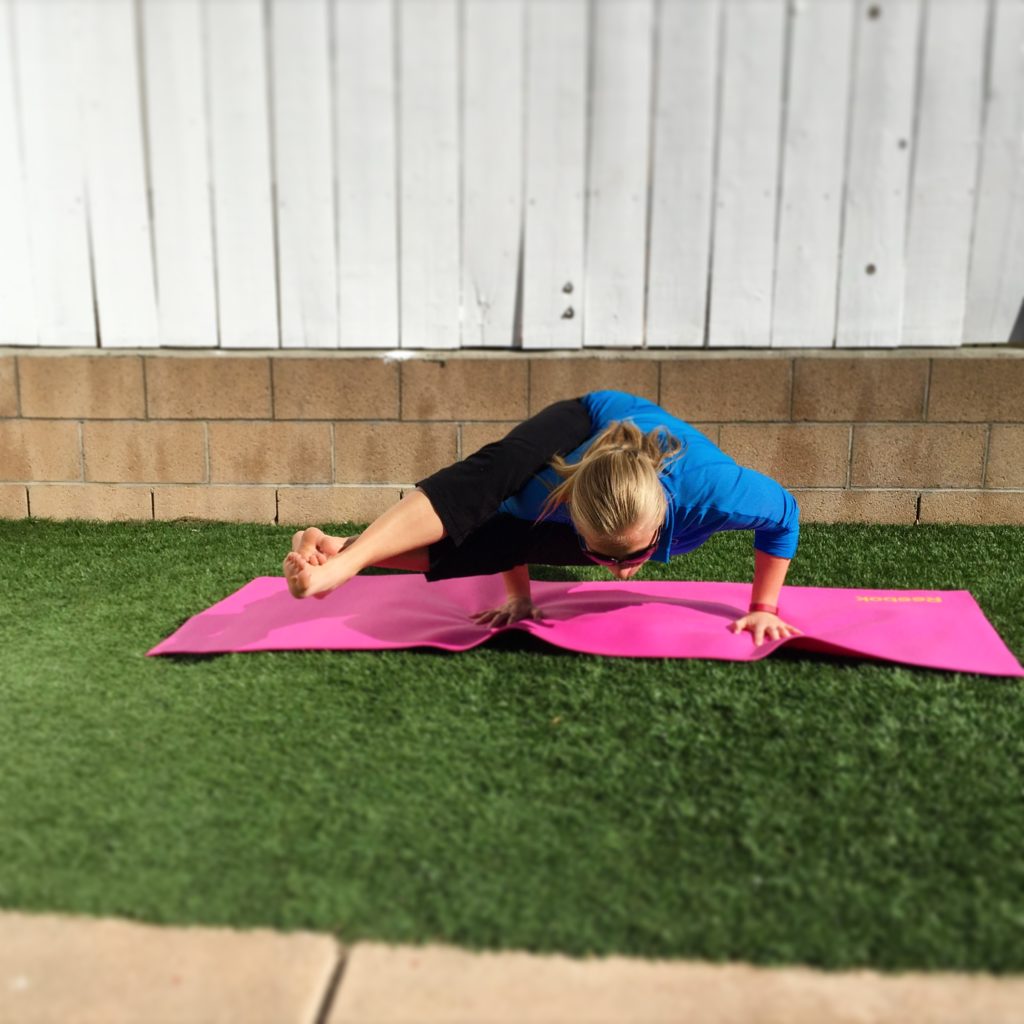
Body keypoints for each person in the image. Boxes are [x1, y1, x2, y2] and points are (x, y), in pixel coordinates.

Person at [282, 390, 802, 647]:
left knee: (502, 532)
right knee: (496, 476)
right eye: (602, 555)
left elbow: (785, 516)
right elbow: (497, 525)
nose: (620, 572)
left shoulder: (718, 494)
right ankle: (343, 562)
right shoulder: (549, 494)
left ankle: (340, 548)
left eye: (636, 554)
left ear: (667, 516)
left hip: (627, 445)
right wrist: (518, 596)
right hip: (587, 415)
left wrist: (763, 606)